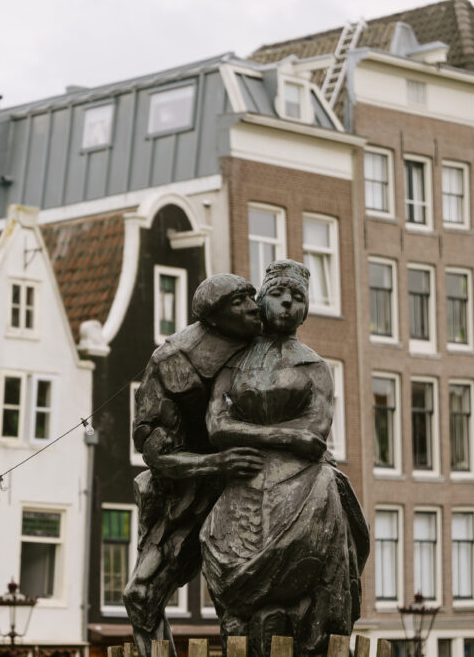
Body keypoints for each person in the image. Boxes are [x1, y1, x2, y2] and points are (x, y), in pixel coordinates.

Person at [200, 260, 369, 657]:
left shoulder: (315, 367)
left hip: (302, 478)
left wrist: (258, 435)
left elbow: (314, 434)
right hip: (244, 474)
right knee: (210, 528)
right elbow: (216, 425)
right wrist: (278, 435)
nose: (288, 304)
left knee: (329, 493)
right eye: (278, 295)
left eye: (297, 298)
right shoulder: (233, 362)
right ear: (261, 301)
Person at [125, 273, 263, 657]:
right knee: (140, 596)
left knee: (242, 599)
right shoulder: (173, 360)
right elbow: (156, 452)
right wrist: (217, 464)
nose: (254, 307)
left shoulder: (270, 344)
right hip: (191, 488)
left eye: (252, 296)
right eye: (239, 302)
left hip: (259, 479)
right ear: (214, 317)